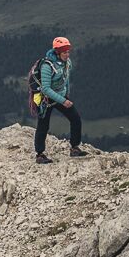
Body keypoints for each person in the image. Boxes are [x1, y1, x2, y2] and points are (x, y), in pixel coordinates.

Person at [34, 35, 86, 164]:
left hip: (60, 96)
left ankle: (75, 148)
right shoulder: (47, 65)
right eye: (64, 52)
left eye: (68, 52)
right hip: (45, 99)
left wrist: (66, 94)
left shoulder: (67, 63)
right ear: (57, 52)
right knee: (43, 126)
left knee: (75, 119)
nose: (67, 54)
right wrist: (63, 100)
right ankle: (40, 155)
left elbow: (66, 78)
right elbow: (45, 88)